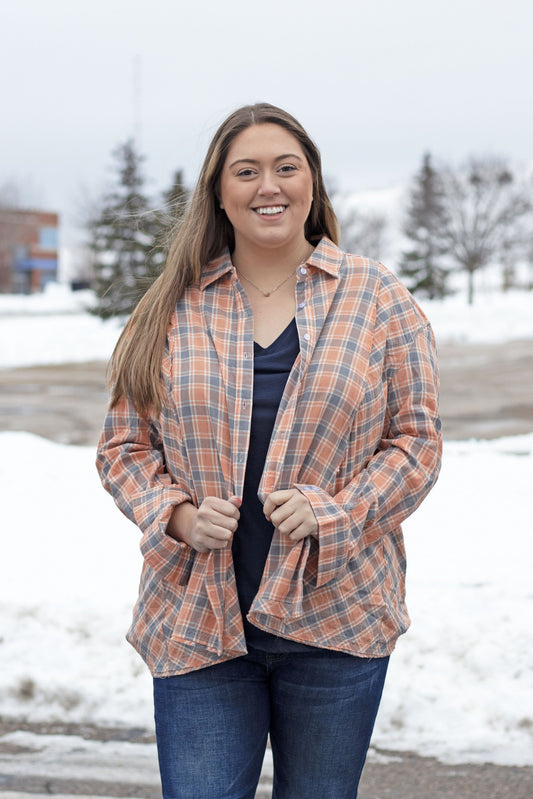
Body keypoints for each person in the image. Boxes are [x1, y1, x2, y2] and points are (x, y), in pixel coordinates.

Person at [96, 102, 442, 799]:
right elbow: (124, 447)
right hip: (198, 619)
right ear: (218, 192)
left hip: (336, 616)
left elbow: (415, 443)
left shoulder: (378, 299)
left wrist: (335, 512)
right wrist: (176, 515)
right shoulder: (172, 306)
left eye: (286, 167)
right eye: (246, 171)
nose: (268, 186)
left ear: (311, 180)